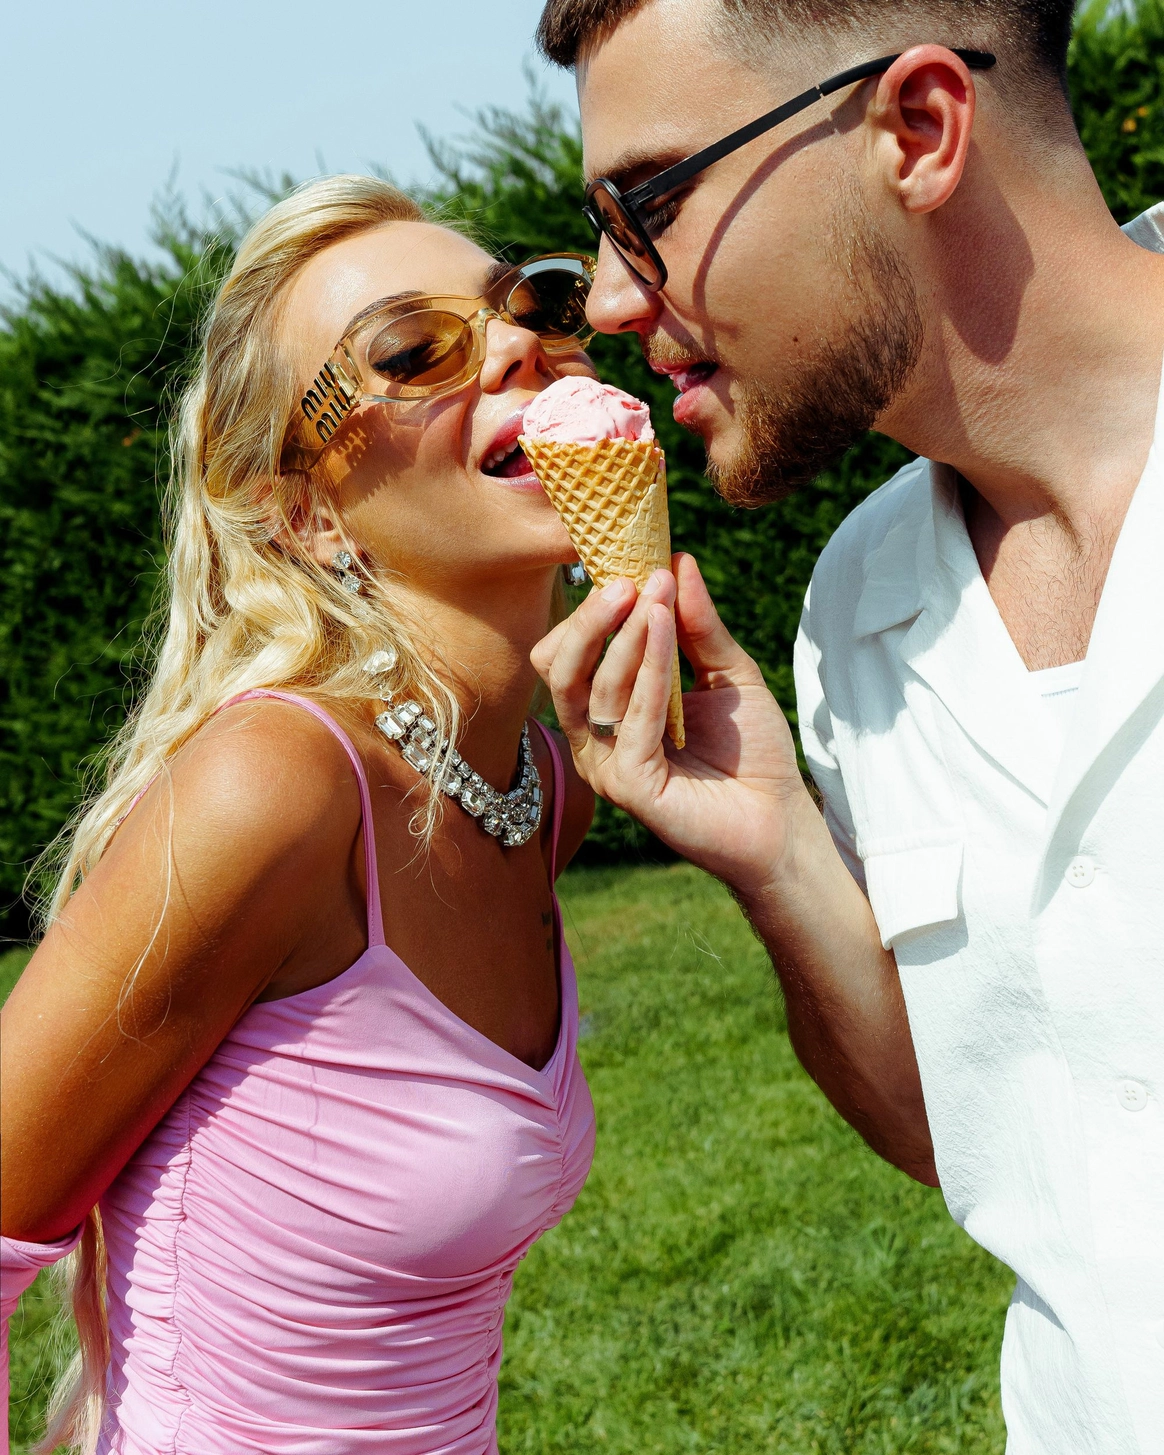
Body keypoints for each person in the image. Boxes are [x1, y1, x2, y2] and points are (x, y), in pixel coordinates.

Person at [530, 0, 1164, 1449]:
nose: (613, 301)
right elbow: (972, 1140)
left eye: (652, 204)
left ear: (920, 130)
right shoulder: (852, 609)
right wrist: (778, 856)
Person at [0, 176, 600, 1455]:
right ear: (307, 514)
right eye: (413, 351)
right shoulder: (274, 784)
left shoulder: (542, 798)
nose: (517, 345)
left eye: (533, 303)